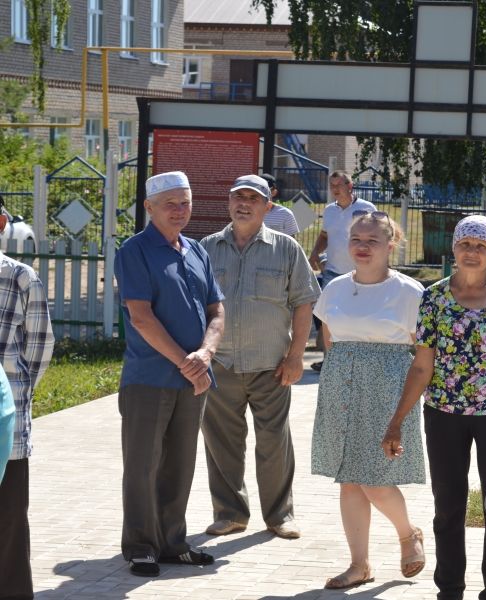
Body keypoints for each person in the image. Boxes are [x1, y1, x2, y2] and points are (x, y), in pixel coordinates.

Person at [382, 215, 486, 600]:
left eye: (481, 246)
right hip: (444, 416)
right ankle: (450, 589)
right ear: (454, 249)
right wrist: (396, 422)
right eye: (465, 244)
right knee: (448, 507)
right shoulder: (434, 296)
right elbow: (422, 365)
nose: (471, 252)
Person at [114, 171, 225, 577]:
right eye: (170, 204)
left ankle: (173, 542)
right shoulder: (135, 251)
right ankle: (141, 545)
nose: (180, 211)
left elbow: (217, 309)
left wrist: (207, 353)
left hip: (193, 377)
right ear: (149, 208)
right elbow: (141, 318)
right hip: (149, 378)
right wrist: (187, 362)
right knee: (143, 464)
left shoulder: (196, 250)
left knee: (180, 462)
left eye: (185, 202)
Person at [199, 175, 320, 541]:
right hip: (221, 367)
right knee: (221, 442)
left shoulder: (285, 248)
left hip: (271, 364)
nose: (244, 203)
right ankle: (230, 514)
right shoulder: (207, 247)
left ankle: (280, 515)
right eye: (238, 197)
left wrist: (296, 355)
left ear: (269, 207)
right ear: (229, 202)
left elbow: (303, 302)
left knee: (274, 441)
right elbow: (196, 304)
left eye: (254, 198)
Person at [312, 211, 426, 589]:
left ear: (390, 244)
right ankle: (358, 564)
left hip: (387, 391)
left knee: (375, 480)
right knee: (349, 480)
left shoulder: (410, 292)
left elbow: (423, 353)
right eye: (356, 239)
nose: (362, 247)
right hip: (340, 388)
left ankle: (408, 534)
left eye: (372, 240)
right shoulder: (335, 288)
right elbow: (329, 338)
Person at [0, 193, 54, 598]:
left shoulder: (20, 277)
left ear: (2, 226)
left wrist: (15, 396)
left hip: (6, 424)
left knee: (9, 520)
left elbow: (38, 348)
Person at [307, 171, 376, 371]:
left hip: (361, 274)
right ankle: (329, 360)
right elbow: (325, 235)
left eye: (339, 185)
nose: (335, 190)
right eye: (332, 186)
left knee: (360, 315)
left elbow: (378, 236)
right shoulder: (329, 210)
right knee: (330, 316)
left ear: (350, 186)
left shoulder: (366, 209)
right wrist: (314, 253)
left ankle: (361, 360)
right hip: (333, 273)